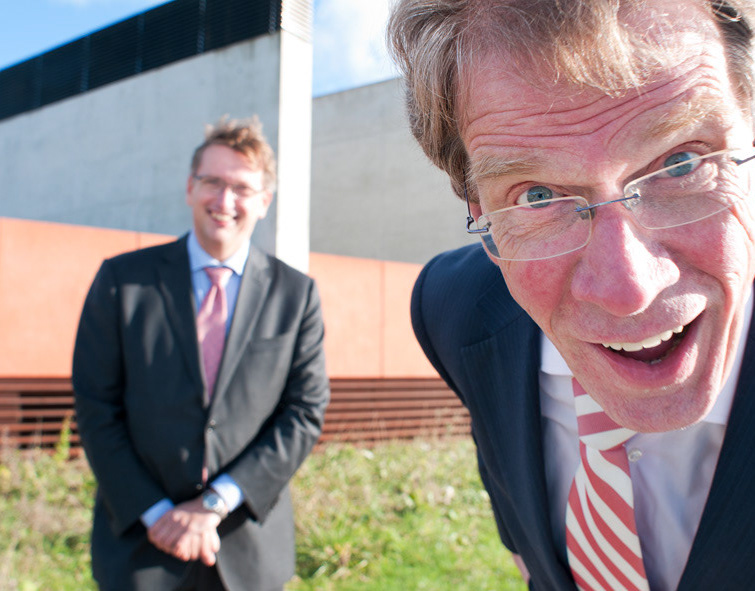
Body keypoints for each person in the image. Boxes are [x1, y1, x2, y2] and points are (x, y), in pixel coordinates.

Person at [388, 1, 755, 589]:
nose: (629, 291)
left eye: (680, 162)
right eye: (537, 196)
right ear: (481, 214)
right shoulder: (451, 310)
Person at [72, 117, 330, 591]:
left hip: (248, 549)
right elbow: (95, 407)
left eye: (242, 188)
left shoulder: (296, 296)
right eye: (212, 182)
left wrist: (214, 504)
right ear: (190, 188)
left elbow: (304, 411)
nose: (224, 201)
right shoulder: (121, 282)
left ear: (264, 202)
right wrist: (158, 514)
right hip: (140, 547)